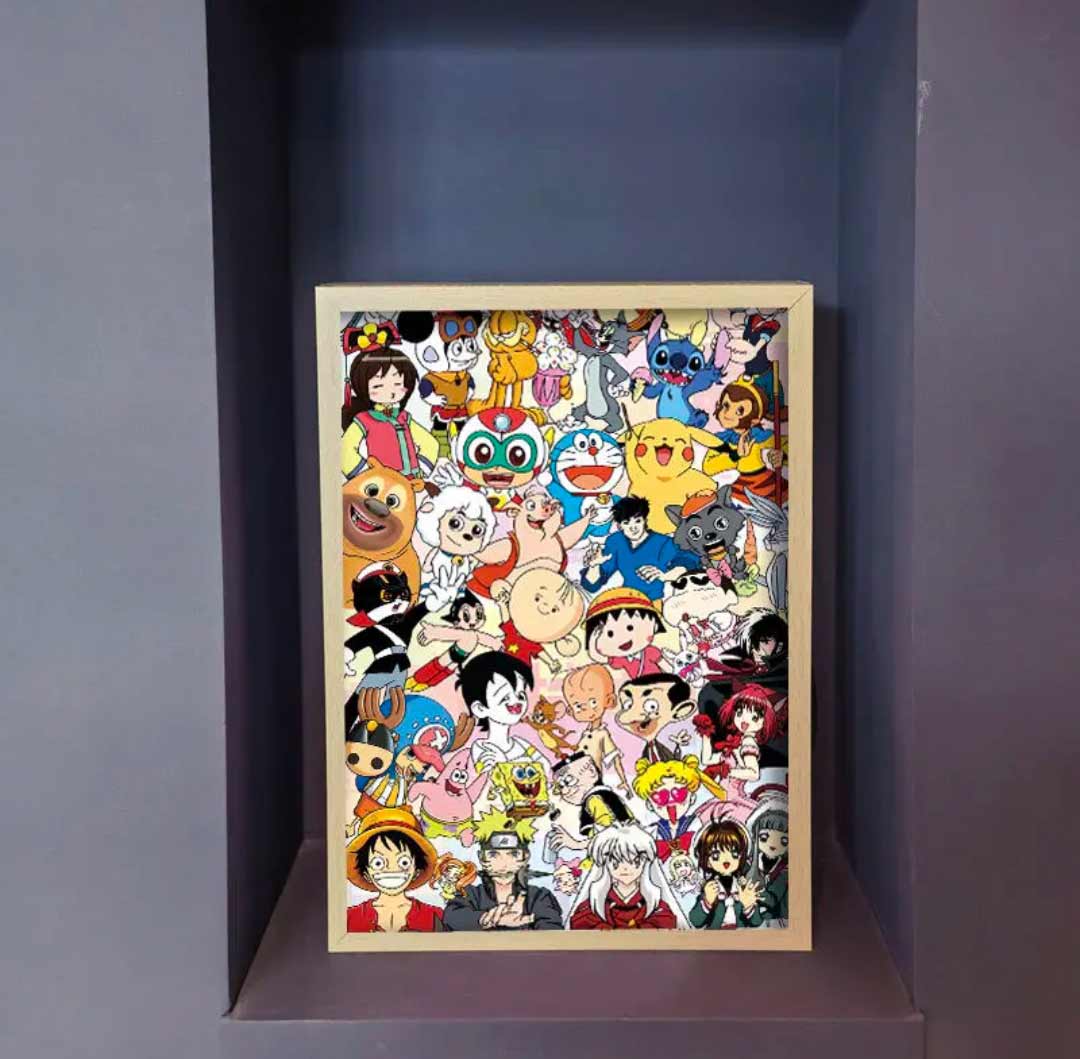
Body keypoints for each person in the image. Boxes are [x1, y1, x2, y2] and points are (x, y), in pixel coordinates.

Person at [441, 811, 562, 931]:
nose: (503, 863)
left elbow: (552, 931)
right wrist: (489, 919)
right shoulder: (469, 894)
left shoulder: (539, 896)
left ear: (525, 857)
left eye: (513, 854)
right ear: (481, 857)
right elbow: (452, 918)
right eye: (493, 854)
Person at [568, 823, 688, 929]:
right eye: (616, 861)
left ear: (645, 863)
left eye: (634, 861)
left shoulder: (657, 905)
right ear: (606, 863)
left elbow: (665, 923)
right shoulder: (592, 905)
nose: (625, 868)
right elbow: (582, 924)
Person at [579, 496, 700, 601]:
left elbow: (689, 560)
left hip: (652, 602)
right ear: (619, 526)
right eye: (626, 523)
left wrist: (665, 576)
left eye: (637, 521)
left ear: (645, 521)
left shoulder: (663, 543)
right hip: (626, 600)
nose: (633, 528)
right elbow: (593, 585)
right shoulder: (616, 541)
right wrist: (594, 565)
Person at [345, 807, 443, 932]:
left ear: (416, 871)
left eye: (403, 862)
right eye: (378, 863)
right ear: (366, 873)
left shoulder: (435, 916)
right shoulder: (350, 917)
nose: (391, 870)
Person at [687, 819, 762, 929]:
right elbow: (696, 921)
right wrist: (707, 901)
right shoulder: (709, 888)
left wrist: (748, 905)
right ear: (707, 861)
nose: (726, 860)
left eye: (734, 854)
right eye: (716, 855)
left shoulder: (743, 887)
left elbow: (757, 922)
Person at [585, 588, 666, 680]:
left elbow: (665, 664)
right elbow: (600, 658)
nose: (622, 638)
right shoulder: (621, 659)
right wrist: (592, 641)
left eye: (630, 628)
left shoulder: (650, 651)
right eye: (610, 634)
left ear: (654, 625)